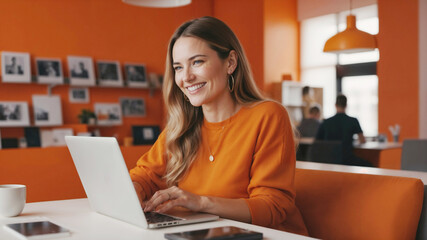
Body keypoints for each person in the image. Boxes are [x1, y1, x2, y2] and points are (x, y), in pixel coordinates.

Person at [129, 16, 308, 235]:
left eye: (197, 62)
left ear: (230, 62)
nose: (186, 77)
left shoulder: (267, 115)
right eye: (178, 67)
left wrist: (201, 203)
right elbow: (144, 175)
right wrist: (133, 190)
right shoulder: (182, 127)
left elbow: (273, 206)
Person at [315, 94, 371, 167]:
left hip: (329, 159)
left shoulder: (326, 122)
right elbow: (362, 140)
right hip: (347, 159)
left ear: (335, 105)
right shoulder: (353, 121)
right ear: (346, 105)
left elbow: (318, 141)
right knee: (370, 165)